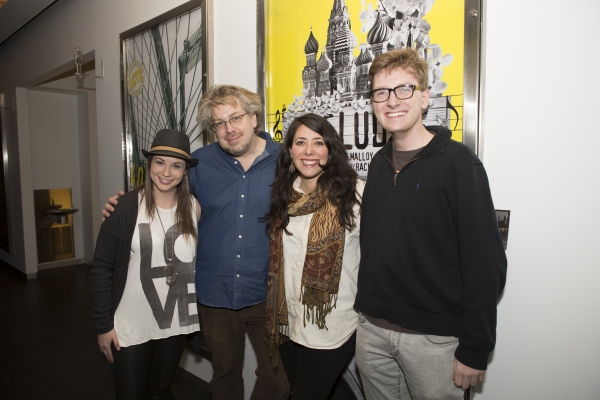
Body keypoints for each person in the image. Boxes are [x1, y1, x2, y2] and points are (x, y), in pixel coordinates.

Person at [104, 85, 289, 400]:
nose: (228, 129)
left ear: (254, 118)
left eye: (235, 118)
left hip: (267, 295)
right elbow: (164, 189)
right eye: (218, 123)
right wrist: (124, 205)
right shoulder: (199, 164)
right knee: (225, 374)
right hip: (213, 294)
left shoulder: (285, 160)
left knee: (278, 380)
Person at [354, 48, 507, 400]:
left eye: (404, 89)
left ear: (424, 98)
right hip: (372, 334)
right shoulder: (377, 164)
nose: (392, 101)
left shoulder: (459, 165)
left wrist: (475, 347)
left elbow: (486, 265)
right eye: (381, 92)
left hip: (434, 343)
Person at [90, 129, 202, 400]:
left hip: (174, 319)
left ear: (185, 171)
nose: (166, 171)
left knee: (161, 392)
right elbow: (101, 269)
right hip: (132, 321)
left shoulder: (194, 208)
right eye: (159, 162)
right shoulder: (125, 207)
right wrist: (103, 326)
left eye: (176, 165)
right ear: (149, 164)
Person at [263, 113, 363, 399]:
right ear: (290, 151)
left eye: (318, 143)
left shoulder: (355, 195)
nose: (309, 151)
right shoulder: (284, 195)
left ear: (330, 150)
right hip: (288, 322)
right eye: (300, 142)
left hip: (332, 324)